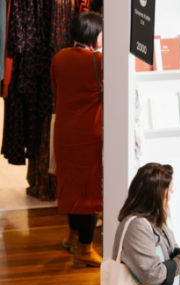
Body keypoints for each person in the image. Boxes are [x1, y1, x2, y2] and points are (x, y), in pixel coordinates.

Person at [50, 11, 104, 267]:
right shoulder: (98, 61)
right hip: (88, 133)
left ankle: (72, 236)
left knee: (70, 184)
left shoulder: (59, 57)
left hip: (63, 130)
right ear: (94, 34)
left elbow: (56, 88)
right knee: (90, 192)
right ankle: (85, 248)